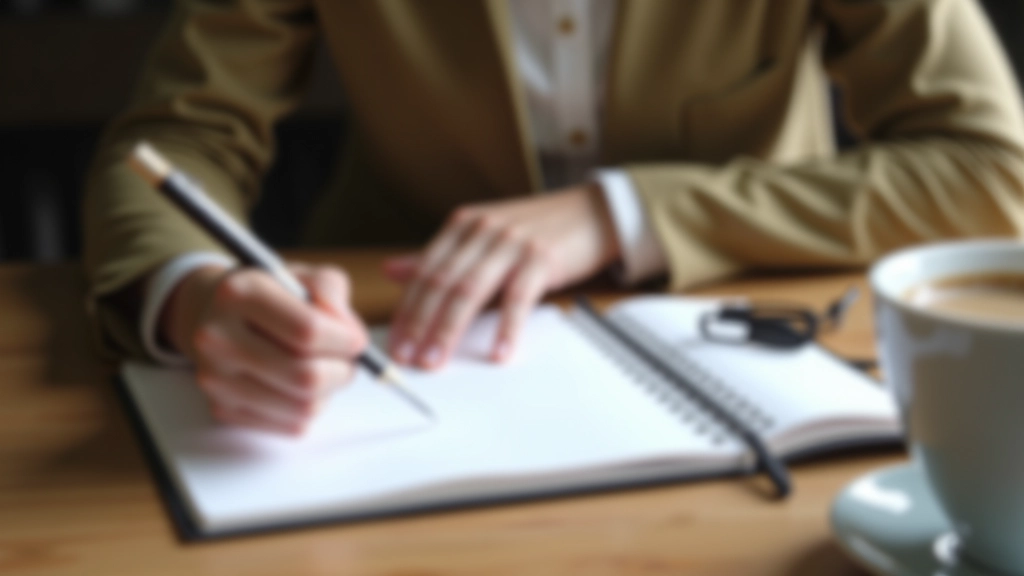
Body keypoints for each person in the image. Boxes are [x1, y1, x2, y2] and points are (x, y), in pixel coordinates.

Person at [84, 0, 1024, 435]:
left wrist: (620, 214)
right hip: (393, 345)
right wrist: (198, 298)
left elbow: (994, 170)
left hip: (751, 340)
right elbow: (179, 140)